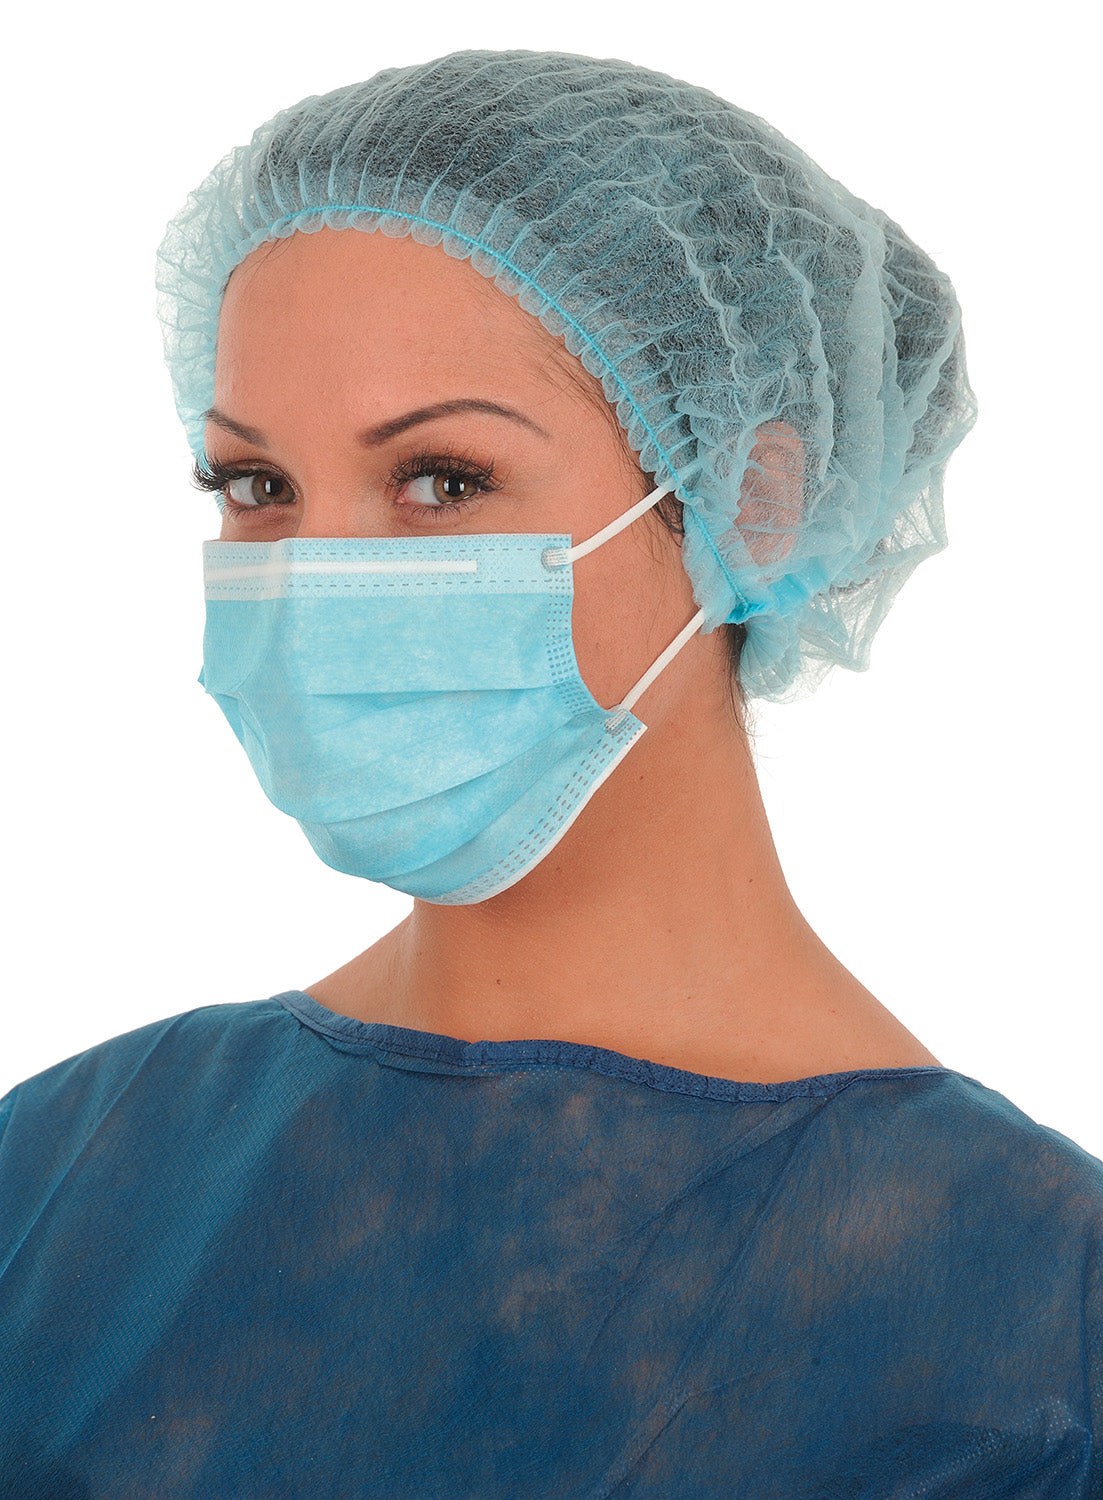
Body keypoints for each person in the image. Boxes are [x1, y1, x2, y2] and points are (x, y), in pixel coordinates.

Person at [1, 48, 1099, 1499]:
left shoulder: (1037, 1318)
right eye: (256, 486)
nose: (317, 576)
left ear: (752, 503)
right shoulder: (70, 1171)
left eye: (442, 480)